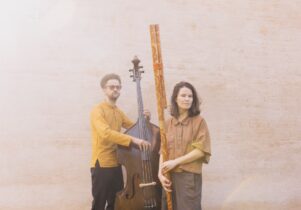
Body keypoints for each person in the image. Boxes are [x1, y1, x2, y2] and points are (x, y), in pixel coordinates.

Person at [90, 73, 150, 210]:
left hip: (116, 162)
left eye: (118, 87)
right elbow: (105, 133)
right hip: (101, 163)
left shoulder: (118, 111)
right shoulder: (97, 110)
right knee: (99, 203)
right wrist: (134, 140)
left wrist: (145, 120)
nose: (115, 89)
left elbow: (133, 128)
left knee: (116, 202)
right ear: (104, 89)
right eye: (112, 87)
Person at [158, 81, 211, 210]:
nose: (187, 99)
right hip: (169, 176)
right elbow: (163, 151)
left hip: (188, 178)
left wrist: (176, 162)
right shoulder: (167, 123)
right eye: (183, 95)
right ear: (175, 98)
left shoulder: (199, 122)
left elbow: (201, 150)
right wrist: (160, 173)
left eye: (190, 96)